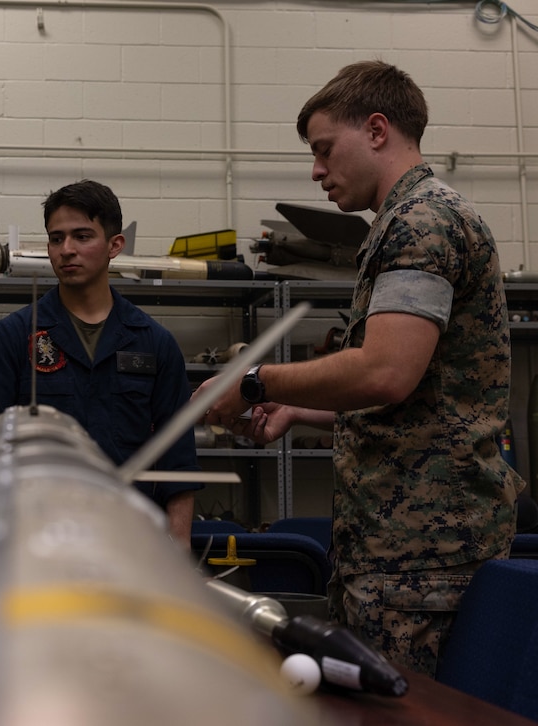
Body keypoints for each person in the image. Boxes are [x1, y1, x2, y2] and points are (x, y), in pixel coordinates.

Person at [194, 60, 525, 676]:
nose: (316, 170)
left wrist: (257, 381)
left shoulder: (421, 223)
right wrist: (297, 408)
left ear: (377, 129)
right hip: (395, 548)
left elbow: (384, 372)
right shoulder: (401, 224)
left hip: (421, 559)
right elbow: (412, 392)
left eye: (324, 150)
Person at [0, 180, 202, 543]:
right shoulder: (13, 338)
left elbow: (179, 468)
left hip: (129, 546)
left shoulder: (154, 344)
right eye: (57, 238)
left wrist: (177, 564)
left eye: (82, 236)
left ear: (115, 245)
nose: (66, 250)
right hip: (32, 546)